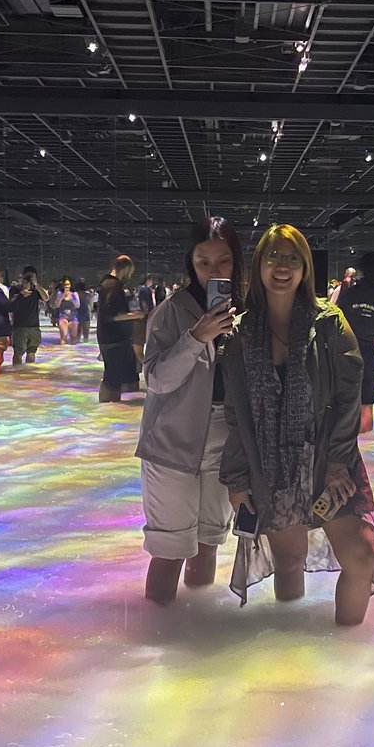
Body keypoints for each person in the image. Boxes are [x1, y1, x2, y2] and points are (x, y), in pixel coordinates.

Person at [220, 223, 374, 626]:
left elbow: (349, 395)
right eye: (273, 256)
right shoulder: (241, 334)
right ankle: (293, 672)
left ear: (306, 268)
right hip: (272, 467)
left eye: (293, 257)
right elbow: (238, 416)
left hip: (329, 461)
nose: (282, 266)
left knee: (362, 556)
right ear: (258, 266)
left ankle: (349, 663)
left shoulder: (329, 323)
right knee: (288, 562)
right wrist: (237, 481)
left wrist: (338, 462)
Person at [136, 217, 243, 605]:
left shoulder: (247, 315)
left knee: (209, 542)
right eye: (203, 262)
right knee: (169, 550)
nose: (214, 272)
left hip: (225, 439)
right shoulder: (169, 312)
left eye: (223, 262)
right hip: (171, 443)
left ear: (237, 262)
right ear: (190, 263)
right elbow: (157, 381)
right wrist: (196, 337)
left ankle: (198, 633)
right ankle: (159, 643)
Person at [335, 249, 374, 433]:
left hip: (346, 356)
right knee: (367, 410)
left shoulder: (349, 295)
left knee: (342, 412)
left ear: (360, 270)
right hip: (369, 357)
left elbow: (335, 323)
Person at [96, 255, 145, 402]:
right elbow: (112, 315)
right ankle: (105, 407)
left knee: (114, 378)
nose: (130, 276)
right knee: (112, 377)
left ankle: (108, 410)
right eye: (130, 271)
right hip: (113, 337)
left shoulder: (107, 283)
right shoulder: (112, 285)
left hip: (109, 336)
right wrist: (136, 315)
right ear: (126, 268)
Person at [9, 265, 48, 365]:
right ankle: (16, 374)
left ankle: (28, 375)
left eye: (32, 277)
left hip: (34, 326)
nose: (29, 280)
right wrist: (21, 293)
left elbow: (46, 298)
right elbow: (10, 302)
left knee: (31, 353)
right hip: (19, 326)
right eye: (27, 277)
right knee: (18, 353)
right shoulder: (15, 289)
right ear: (22, 277)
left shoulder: (36, 290)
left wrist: (37, 285)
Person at [53, 278, 80, 345]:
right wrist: (62, 297)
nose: (66, 286)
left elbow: (78, 306)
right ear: (63, 285)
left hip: (73, 316)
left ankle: (72, 354)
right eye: (65, 284)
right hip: (63, 316)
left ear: (70, 285)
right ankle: (62, 352)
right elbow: (57, 306)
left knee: (73, 337)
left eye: (68, 284)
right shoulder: (60, 293)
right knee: (63, 336)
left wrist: (72, 298)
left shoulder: (74, 294)